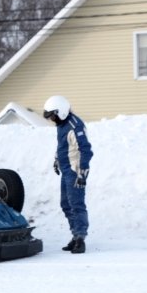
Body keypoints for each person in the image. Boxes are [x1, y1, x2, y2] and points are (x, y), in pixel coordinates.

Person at [43, 96, 93, 254]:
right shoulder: (62, 124)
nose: (51, 119)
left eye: (53, 116)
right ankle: (75, 235)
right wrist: (57, 160)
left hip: (74, 171)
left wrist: (82, 174)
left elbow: (86, 150)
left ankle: (80, 239)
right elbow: (62, 145)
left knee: (76, 205)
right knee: (66, 205)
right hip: (65, 169)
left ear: (62, 112)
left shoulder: (75, 126)